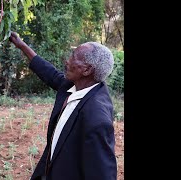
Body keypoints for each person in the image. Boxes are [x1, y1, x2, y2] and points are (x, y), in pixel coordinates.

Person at [9, 32, 117, 180]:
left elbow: (101, 173)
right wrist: (21, 45)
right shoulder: (73, 87)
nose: (67, 61)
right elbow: (50, 73)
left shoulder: (96, 118)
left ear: (87, 70)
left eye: (74, 57)